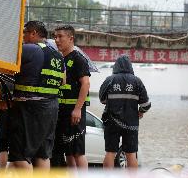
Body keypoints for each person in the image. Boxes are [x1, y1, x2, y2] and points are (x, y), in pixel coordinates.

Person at [8, 21, 65, 170]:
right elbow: (63, 81)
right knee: (43, 154)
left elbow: (2, 54)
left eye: (25, 33)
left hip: (29, 109)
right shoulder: (57, 55)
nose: (23, 36)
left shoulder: (31, 49)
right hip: (51, 108)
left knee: (20, 156)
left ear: (33, 33)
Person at [99, 55, 151, 169]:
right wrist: (140, 111)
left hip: (111, 122)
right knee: (131, 155)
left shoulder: (110, 80)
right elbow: (146, 105)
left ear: (115, 66)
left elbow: (102, 99)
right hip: (131, 123)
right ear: (130, 66)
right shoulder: (137, 81)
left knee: (110, 153)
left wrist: (113, 101)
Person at [53, 25, 90, 169]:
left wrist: (77, 109)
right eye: (55, 36)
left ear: (71, 38)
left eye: (60, 36)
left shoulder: (78, 59)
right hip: (61, 111)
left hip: (74, 112)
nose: (57, 40)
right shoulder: (60, 59)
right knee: (68, 152)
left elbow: (85, 84)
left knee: (77, 152)